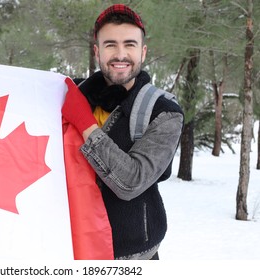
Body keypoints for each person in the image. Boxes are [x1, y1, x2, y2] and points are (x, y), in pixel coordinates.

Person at [62, 4, 184, 260]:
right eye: (110, 45)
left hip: (130, 254)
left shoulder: (164, 112)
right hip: (72, 248)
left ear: (143, 51)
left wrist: (86, 125)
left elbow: (131, 183)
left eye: (129, 44)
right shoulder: (68, 97)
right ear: (97, 52)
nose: (120, 54)